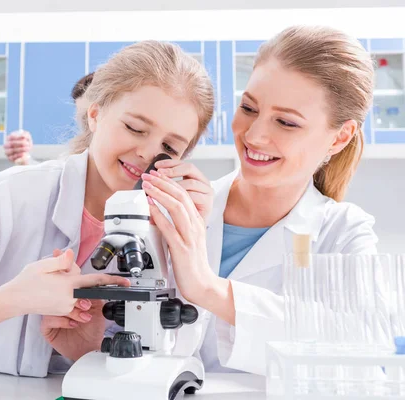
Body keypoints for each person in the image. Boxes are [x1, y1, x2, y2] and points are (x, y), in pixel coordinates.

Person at [0, 40, 215, 377]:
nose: (146, 152)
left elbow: (177, 360)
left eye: (169, 147)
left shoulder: (170, 229)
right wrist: (15, 299)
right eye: (135, 128)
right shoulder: (14, 194)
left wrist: (85, 351)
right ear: (95, 113)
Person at [135, 25, 378, 375]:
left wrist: (207, 287)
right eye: (249, 107)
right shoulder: (178, 204)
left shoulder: (343, 235)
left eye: (286, 122)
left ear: (340, 137)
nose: (254, 134)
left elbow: (360, 353)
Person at [3, 73, 94, 165]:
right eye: (82, 117)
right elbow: (56, 175)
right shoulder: (76, 157)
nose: (88, 124)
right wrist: (24, 159)